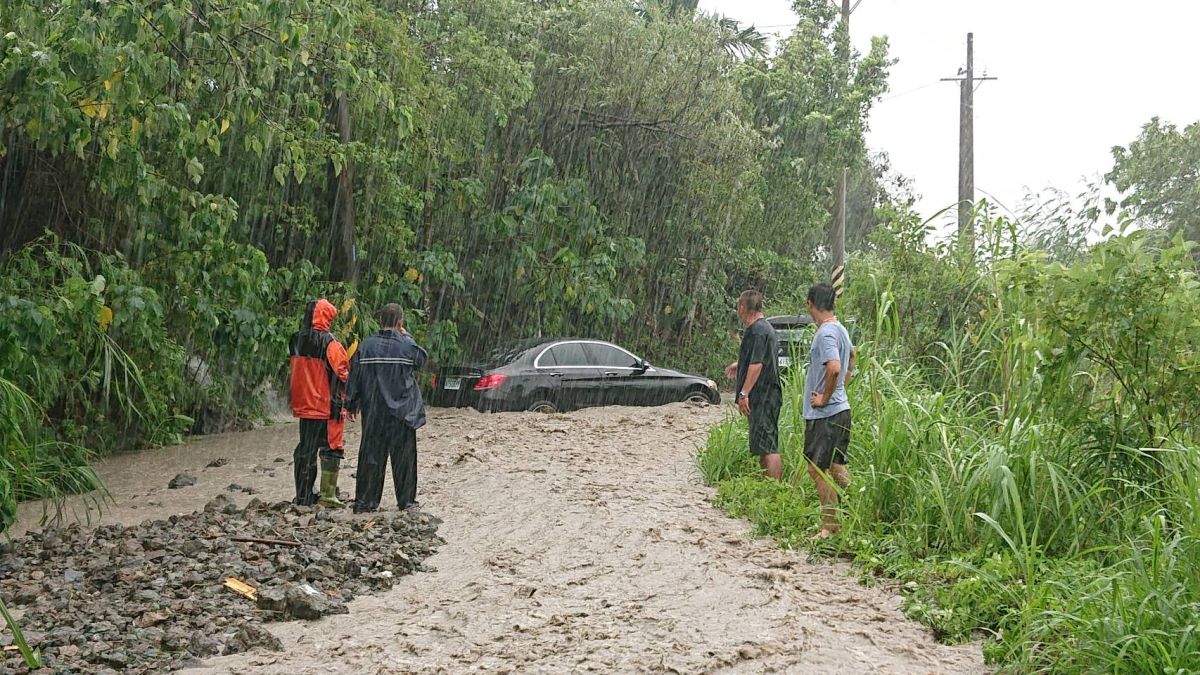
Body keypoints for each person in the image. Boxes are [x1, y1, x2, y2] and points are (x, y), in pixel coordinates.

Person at [347, 303, 428, 513]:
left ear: (380, 321)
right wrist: (407, 337)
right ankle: (406, 502)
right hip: (402, 413)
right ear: (400, 322)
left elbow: (354, 376)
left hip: (374, 412)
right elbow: (422, 361)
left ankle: (365, 502)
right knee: (404, 459)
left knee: (371, 457)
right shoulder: (407, 346)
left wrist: (350, 403)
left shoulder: (365, 346)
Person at [802, 282, 855, 539]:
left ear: (810, 304)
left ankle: (830, 526)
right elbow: (851, 358)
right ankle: (857, 508)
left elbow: (834, 367)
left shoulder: (825, 333)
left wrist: (825, 396)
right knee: (836, 466)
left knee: (816, 468)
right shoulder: (841, 329)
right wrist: (842, 386)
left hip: (825, 415)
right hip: (841, 410)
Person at [288, 298, 351, 507]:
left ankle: (304, 495)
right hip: (326, 404)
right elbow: (343, 372)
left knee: (306, 449)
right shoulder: (330, 343)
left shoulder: (295, 339)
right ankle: (327, 495)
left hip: (304, 404)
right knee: (331, 447)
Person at [724, 290, 783, 480]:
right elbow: (760, 358)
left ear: (742, 307)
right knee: (763, 445)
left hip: (763, 396)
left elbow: (757, 365)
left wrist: (744, 393)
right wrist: (740, 364)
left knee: (769, 446)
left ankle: (775, 488)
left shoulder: (757, 331)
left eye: (738, 307)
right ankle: (766, 485)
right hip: (767, 395)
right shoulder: (763, 328)